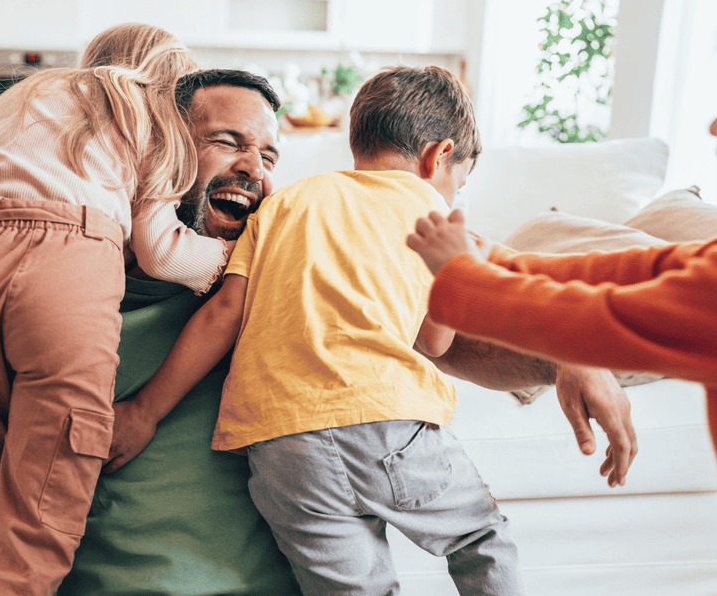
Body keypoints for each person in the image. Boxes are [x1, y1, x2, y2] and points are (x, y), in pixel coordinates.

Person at [0, 59, 635, 596]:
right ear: (152, 150)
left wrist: (571, 354)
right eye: (227, 141)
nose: (255, 168)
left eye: (268, 152)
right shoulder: (68, 295)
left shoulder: (281, 268)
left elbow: (454, 336)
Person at [405, 0, 717, 594]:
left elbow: (596, 315)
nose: (715, 125)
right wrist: (493, 257)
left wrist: (463, 277)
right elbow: (629, 271)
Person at [106, 65, 523, 596]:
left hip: (280, 448)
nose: (453, 196)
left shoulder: (283, 205)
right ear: (437, 157)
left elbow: (222, 315)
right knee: (482, 539)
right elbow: (434, 344)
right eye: (456, 184)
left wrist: (144, 412)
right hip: (386, 424)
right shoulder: (433, 215)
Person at [0, 23, 231, 596]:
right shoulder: (150, 108)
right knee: (42, 511)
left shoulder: (28, 98)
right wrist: (238, 256)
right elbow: (160, 252)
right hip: (66, 261)